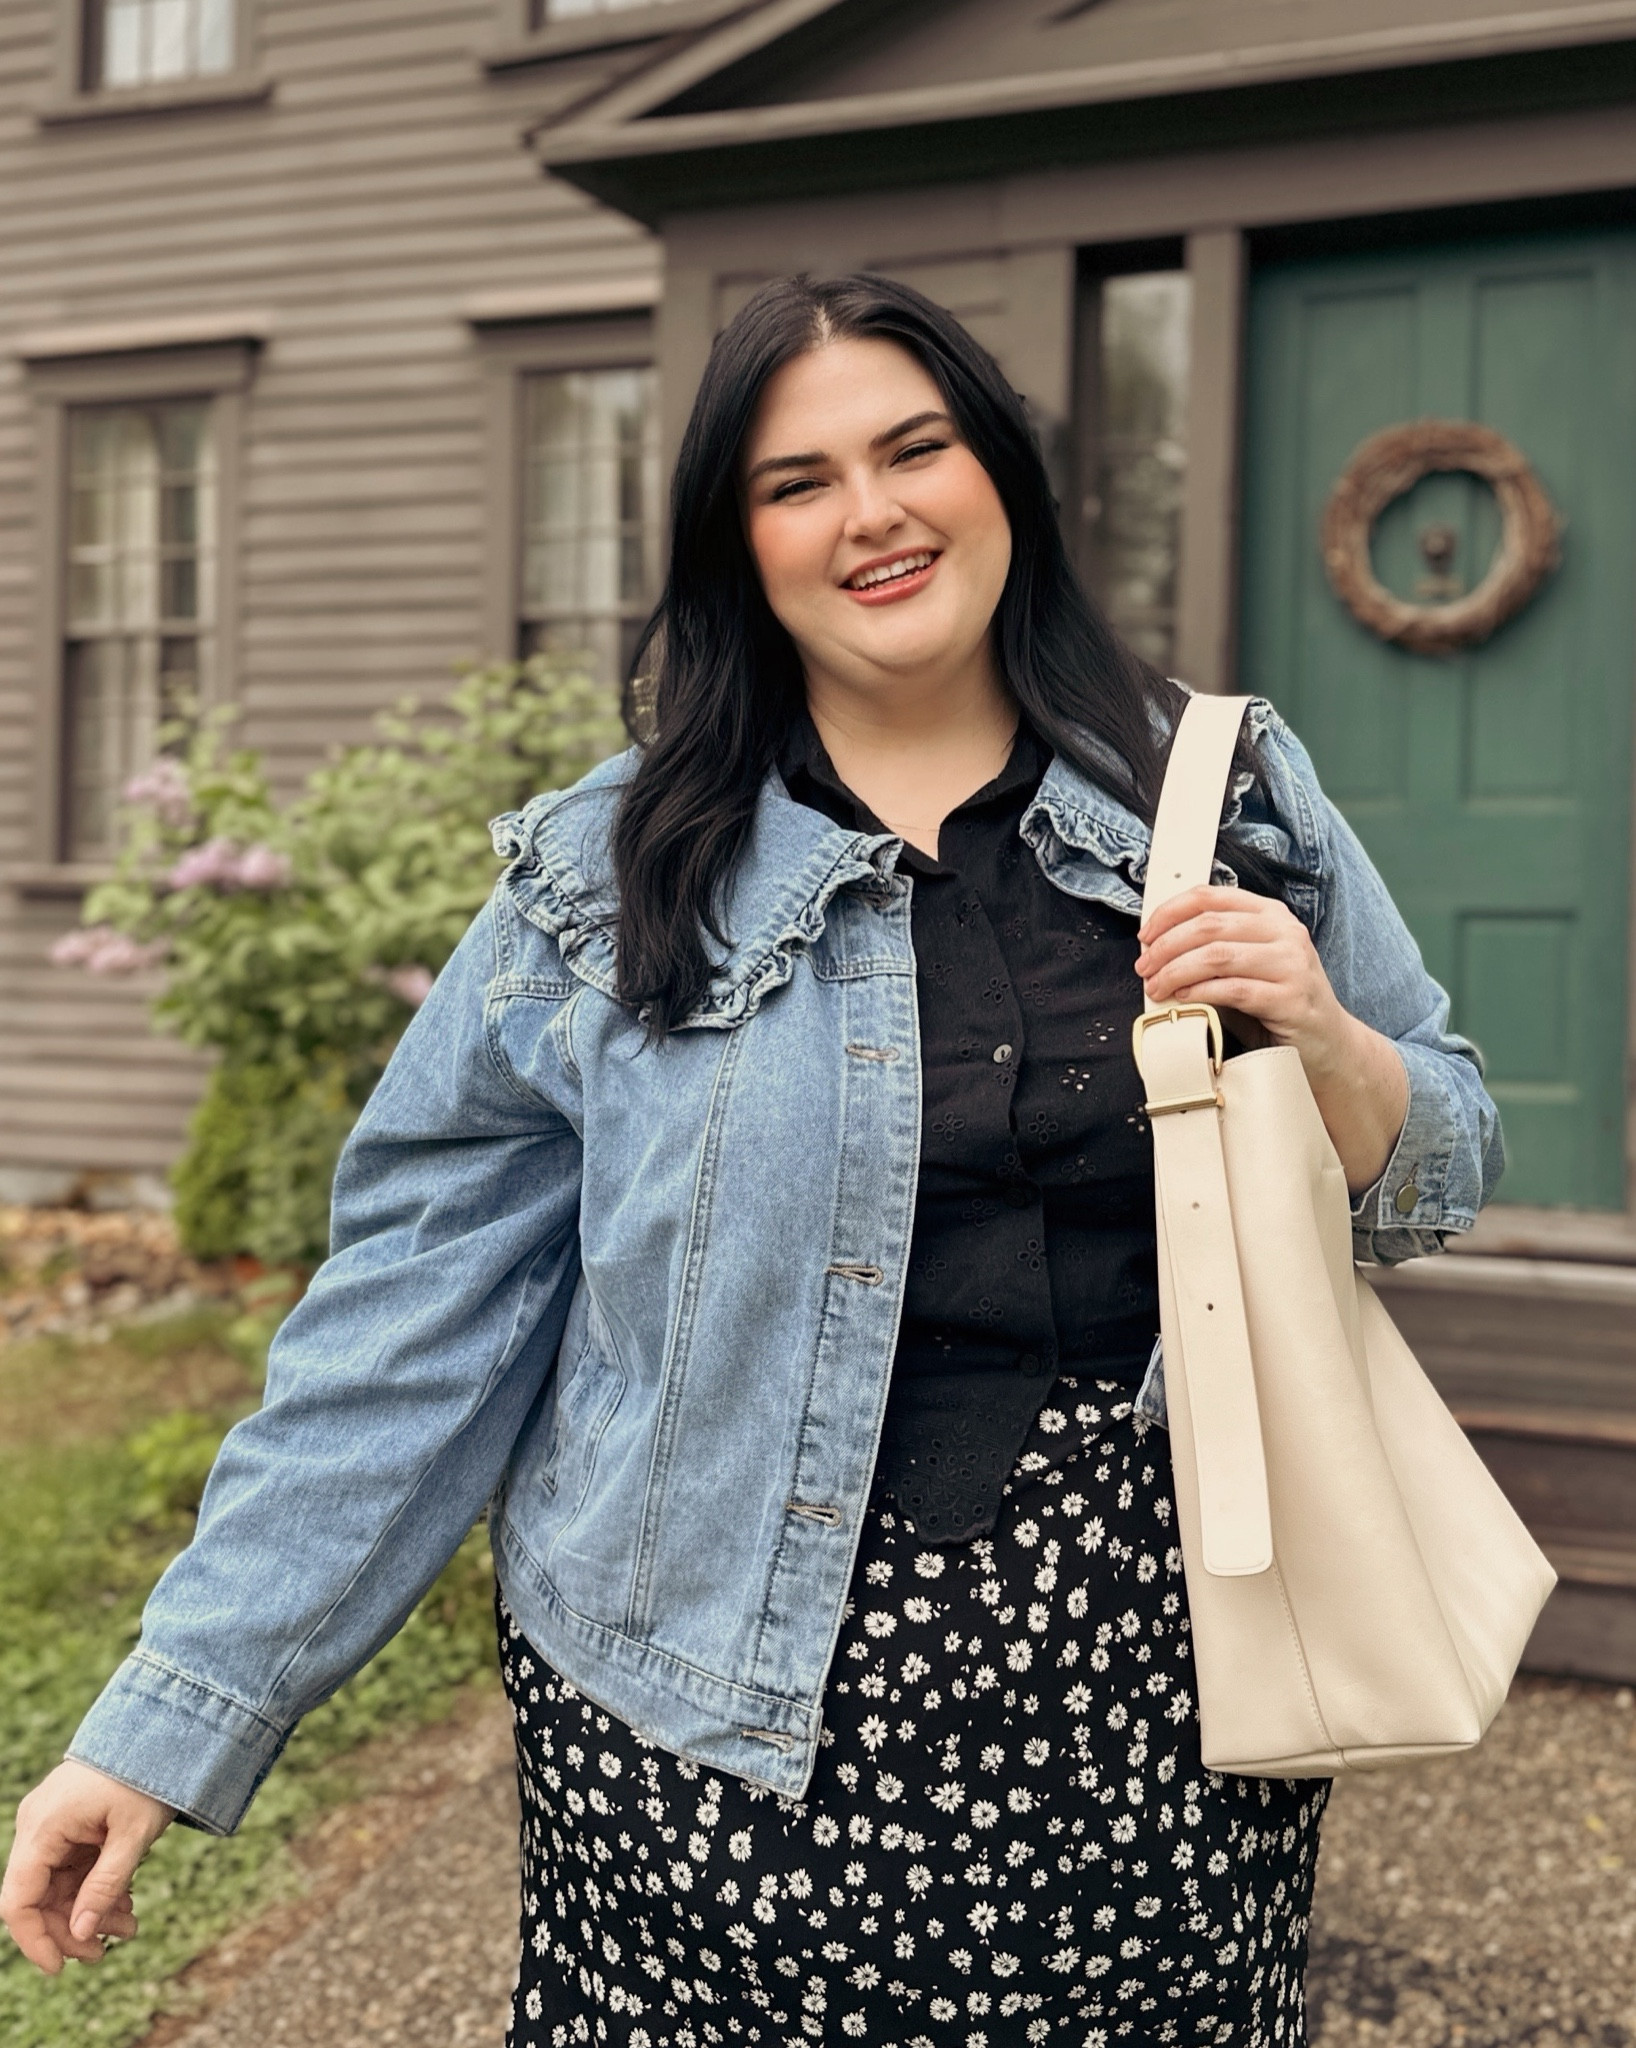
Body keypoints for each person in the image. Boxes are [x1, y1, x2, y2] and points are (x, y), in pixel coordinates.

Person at [2, 275, 1501, 2046]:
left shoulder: (1223, 795)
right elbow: (410, 1330)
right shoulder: (608, 876)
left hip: (1170, 1717)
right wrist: (175, 1711)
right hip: (703, 1729)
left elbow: (1446, 1164)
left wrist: (1328, 1040)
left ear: (999, 475)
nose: (869, 513)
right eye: (796, 483)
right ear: (741, 543)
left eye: (912, 449)